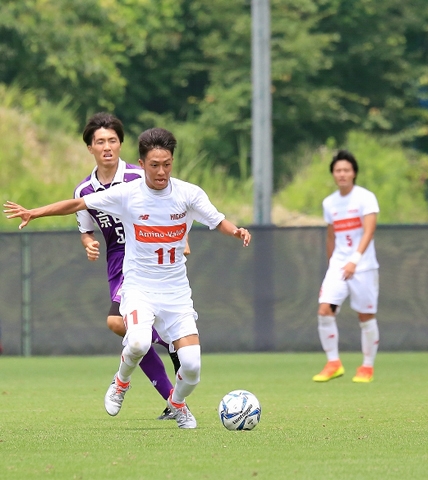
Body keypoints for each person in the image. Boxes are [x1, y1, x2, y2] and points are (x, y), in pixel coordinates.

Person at [4, 127, 251, 429]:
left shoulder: (189, 194)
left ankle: (177, 405)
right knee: (136, 341)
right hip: (138, 288)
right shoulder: (127, 194)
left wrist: (236, 230)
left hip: (176, 293)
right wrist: (35, 212)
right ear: (142, 163)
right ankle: (121, 382)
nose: (161, 171)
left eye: (167, 164)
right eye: (155, 165)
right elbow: (79, 204)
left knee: (193, 367)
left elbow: (219, 220)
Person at [75, 112, 183, 421]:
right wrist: (88, 243)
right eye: (100, 142)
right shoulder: (84, 190)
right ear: (90, 148)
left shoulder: (140, 176)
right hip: (115, 262)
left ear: (121, 144)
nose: (107, 147)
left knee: (118, 324)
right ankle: (174, 374)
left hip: (145, 257)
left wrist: (181, 239)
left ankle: (172, 376)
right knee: (131, 332)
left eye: (112, 140)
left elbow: (173, 203)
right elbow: (86, 227)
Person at [312, 150, 380, 384]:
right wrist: (334, 263)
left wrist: (355, 259)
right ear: (333, 174)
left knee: (366, 316)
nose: (342, 174)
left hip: (363, 266)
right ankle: (333, 363)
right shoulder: (329, 203)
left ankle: (367, 367)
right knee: (324, 310)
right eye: (338, 170)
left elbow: (369, 230)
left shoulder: (365, 198)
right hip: (339, 267)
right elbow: (331, 236)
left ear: (354, 173)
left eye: (346, 170)